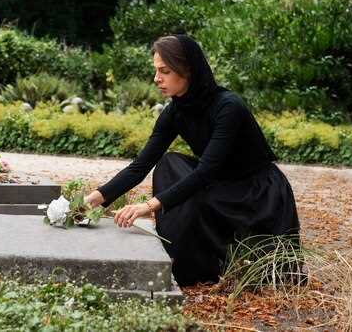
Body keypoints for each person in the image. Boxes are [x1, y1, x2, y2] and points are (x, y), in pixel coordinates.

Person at [84, 34, 300, 286]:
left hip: (254, 193)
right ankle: (182, 260)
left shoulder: (228, 107)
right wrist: (91, 200)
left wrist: (148, 206)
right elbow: (140, 166)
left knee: (191, 186)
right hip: (218, 182)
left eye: (164, 71)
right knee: (168, 163)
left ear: (187, 70)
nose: (157, 79)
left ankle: (209, 260)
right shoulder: (175, 112)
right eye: (156, 71)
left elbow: (205, 172)